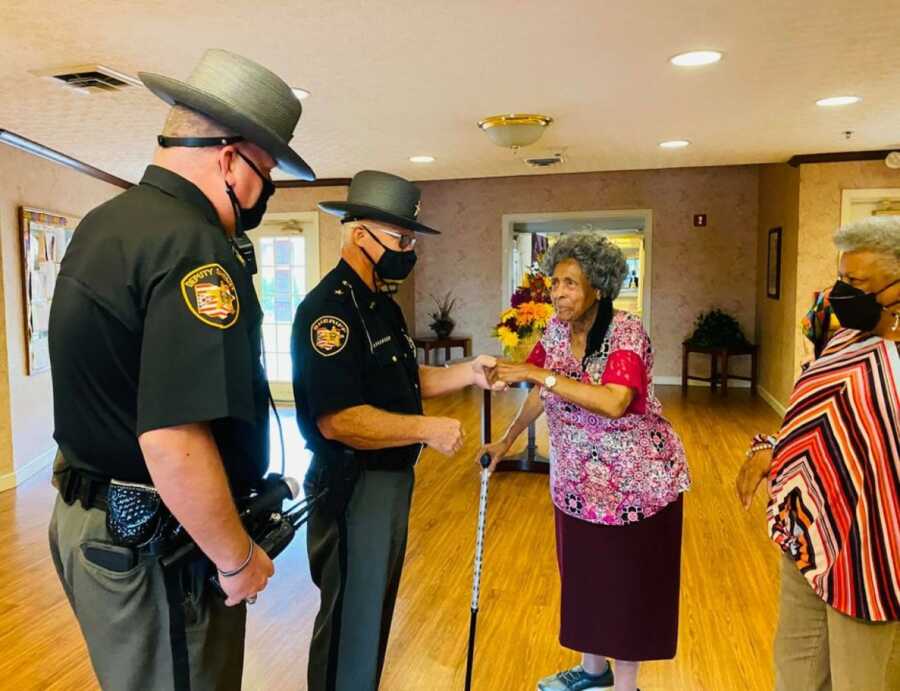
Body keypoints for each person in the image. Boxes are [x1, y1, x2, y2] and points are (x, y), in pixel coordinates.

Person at [47, 49, 314, 690]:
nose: (265, 191)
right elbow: (172, 439)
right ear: (227, 157)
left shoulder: (107, 224)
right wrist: (236, 559)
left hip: (92, 522)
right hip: (157, 547)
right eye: (265, 170)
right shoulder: (194, 247)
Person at [291, 170, 502, 691]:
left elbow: (407, 380)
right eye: (401, 239)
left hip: (389, 481)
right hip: (353, 485)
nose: (409, 251)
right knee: (353, 618)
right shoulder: (328, 312)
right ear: (359, 234)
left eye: (411, 241)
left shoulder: (382, 307)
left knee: (374, 609)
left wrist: (469, 372)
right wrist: (425, 429)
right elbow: (339, 419)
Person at [484, 232, 690, 691]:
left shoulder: (626, 331)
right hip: (577, 484)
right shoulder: (556, 331)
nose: (558, 292)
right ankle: (592, 672)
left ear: (599, 285)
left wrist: (540, 372)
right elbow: (541, 393)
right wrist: (506, 441)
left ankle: (626, 686)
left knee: (628, 586)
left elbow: (615, 401)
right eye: (554, 282)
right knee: (585, 578)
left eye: (571, 283)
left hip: (637, 486)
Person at [736, 216, 900, 691]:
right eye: (842, 278)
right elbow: (814, 412)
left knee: (860, 680)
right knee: (797, 673)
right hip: (811, 529)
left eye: (857, 282)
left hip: (874, 556)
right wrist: (774, 450)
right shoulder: (847, 338)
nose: (841, 293)